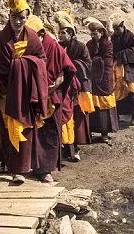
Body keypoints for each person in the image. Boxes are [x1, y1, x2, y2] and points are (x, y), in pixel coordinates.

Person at [0, 0, 50, 183]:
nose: (18, 22)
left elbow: (41, 60)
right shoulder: (0, 38)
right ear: (9, 15)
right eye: (14, 17)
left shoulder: (32, 37)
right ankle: (7, 162)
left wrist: (22, 65)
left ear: (27, 17)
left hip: (26, 92)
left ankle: (20, 170)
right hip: (7, 92)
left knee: (24, 128)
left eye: (22, 18)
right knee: (7, 128)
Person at [26, 15, 79, 167]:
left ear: (42, 35)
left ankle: (46, 170)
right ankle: (35, 165)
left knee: (50, 133)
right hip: (35, 97)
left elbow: (62, 76)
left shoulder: (54, 47)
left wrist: (45, 93)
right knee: (35, 133)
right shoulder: (31, 48)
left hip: (51, 96)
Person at [55, 11, 93, 158]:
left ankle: (75, 148)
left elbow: (87, 64)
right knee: (64, 115)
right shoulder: (57, 46)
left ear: (70, 34)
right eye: (59, 32)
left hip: (78, 85)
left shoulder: (80, 46)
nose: (61, 35)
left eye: (63, 32)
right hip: (64, 86)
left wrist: (70, 66)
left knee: (76, 116)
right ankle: (65, 148)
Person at [86, 18, 119, 141]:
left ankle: (105, 133)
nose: (93, 36)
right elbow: (87, 57)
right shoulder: (89, 44)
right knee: (95, 103)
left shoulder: (108, 44)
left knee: (104, 104)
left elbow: (108, 60)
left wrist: (94, 61)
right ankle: (95, 130)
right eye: (92, 34)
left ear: (101, 33)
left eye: (95, 33)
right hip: (94, 77)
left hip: (105, 76)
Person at [110, 12, 134, 125]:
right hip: (118, 66)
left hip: (130, 66)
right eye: (116, 29)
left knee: (132, 89)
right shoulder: (113, 38)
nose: (118, 31)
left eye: (119, 28)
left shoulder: (130, 35)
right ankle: (118, 116)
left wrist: (123, 54)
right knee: (117, 90)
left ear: (123, 27)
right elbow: (112, 52)